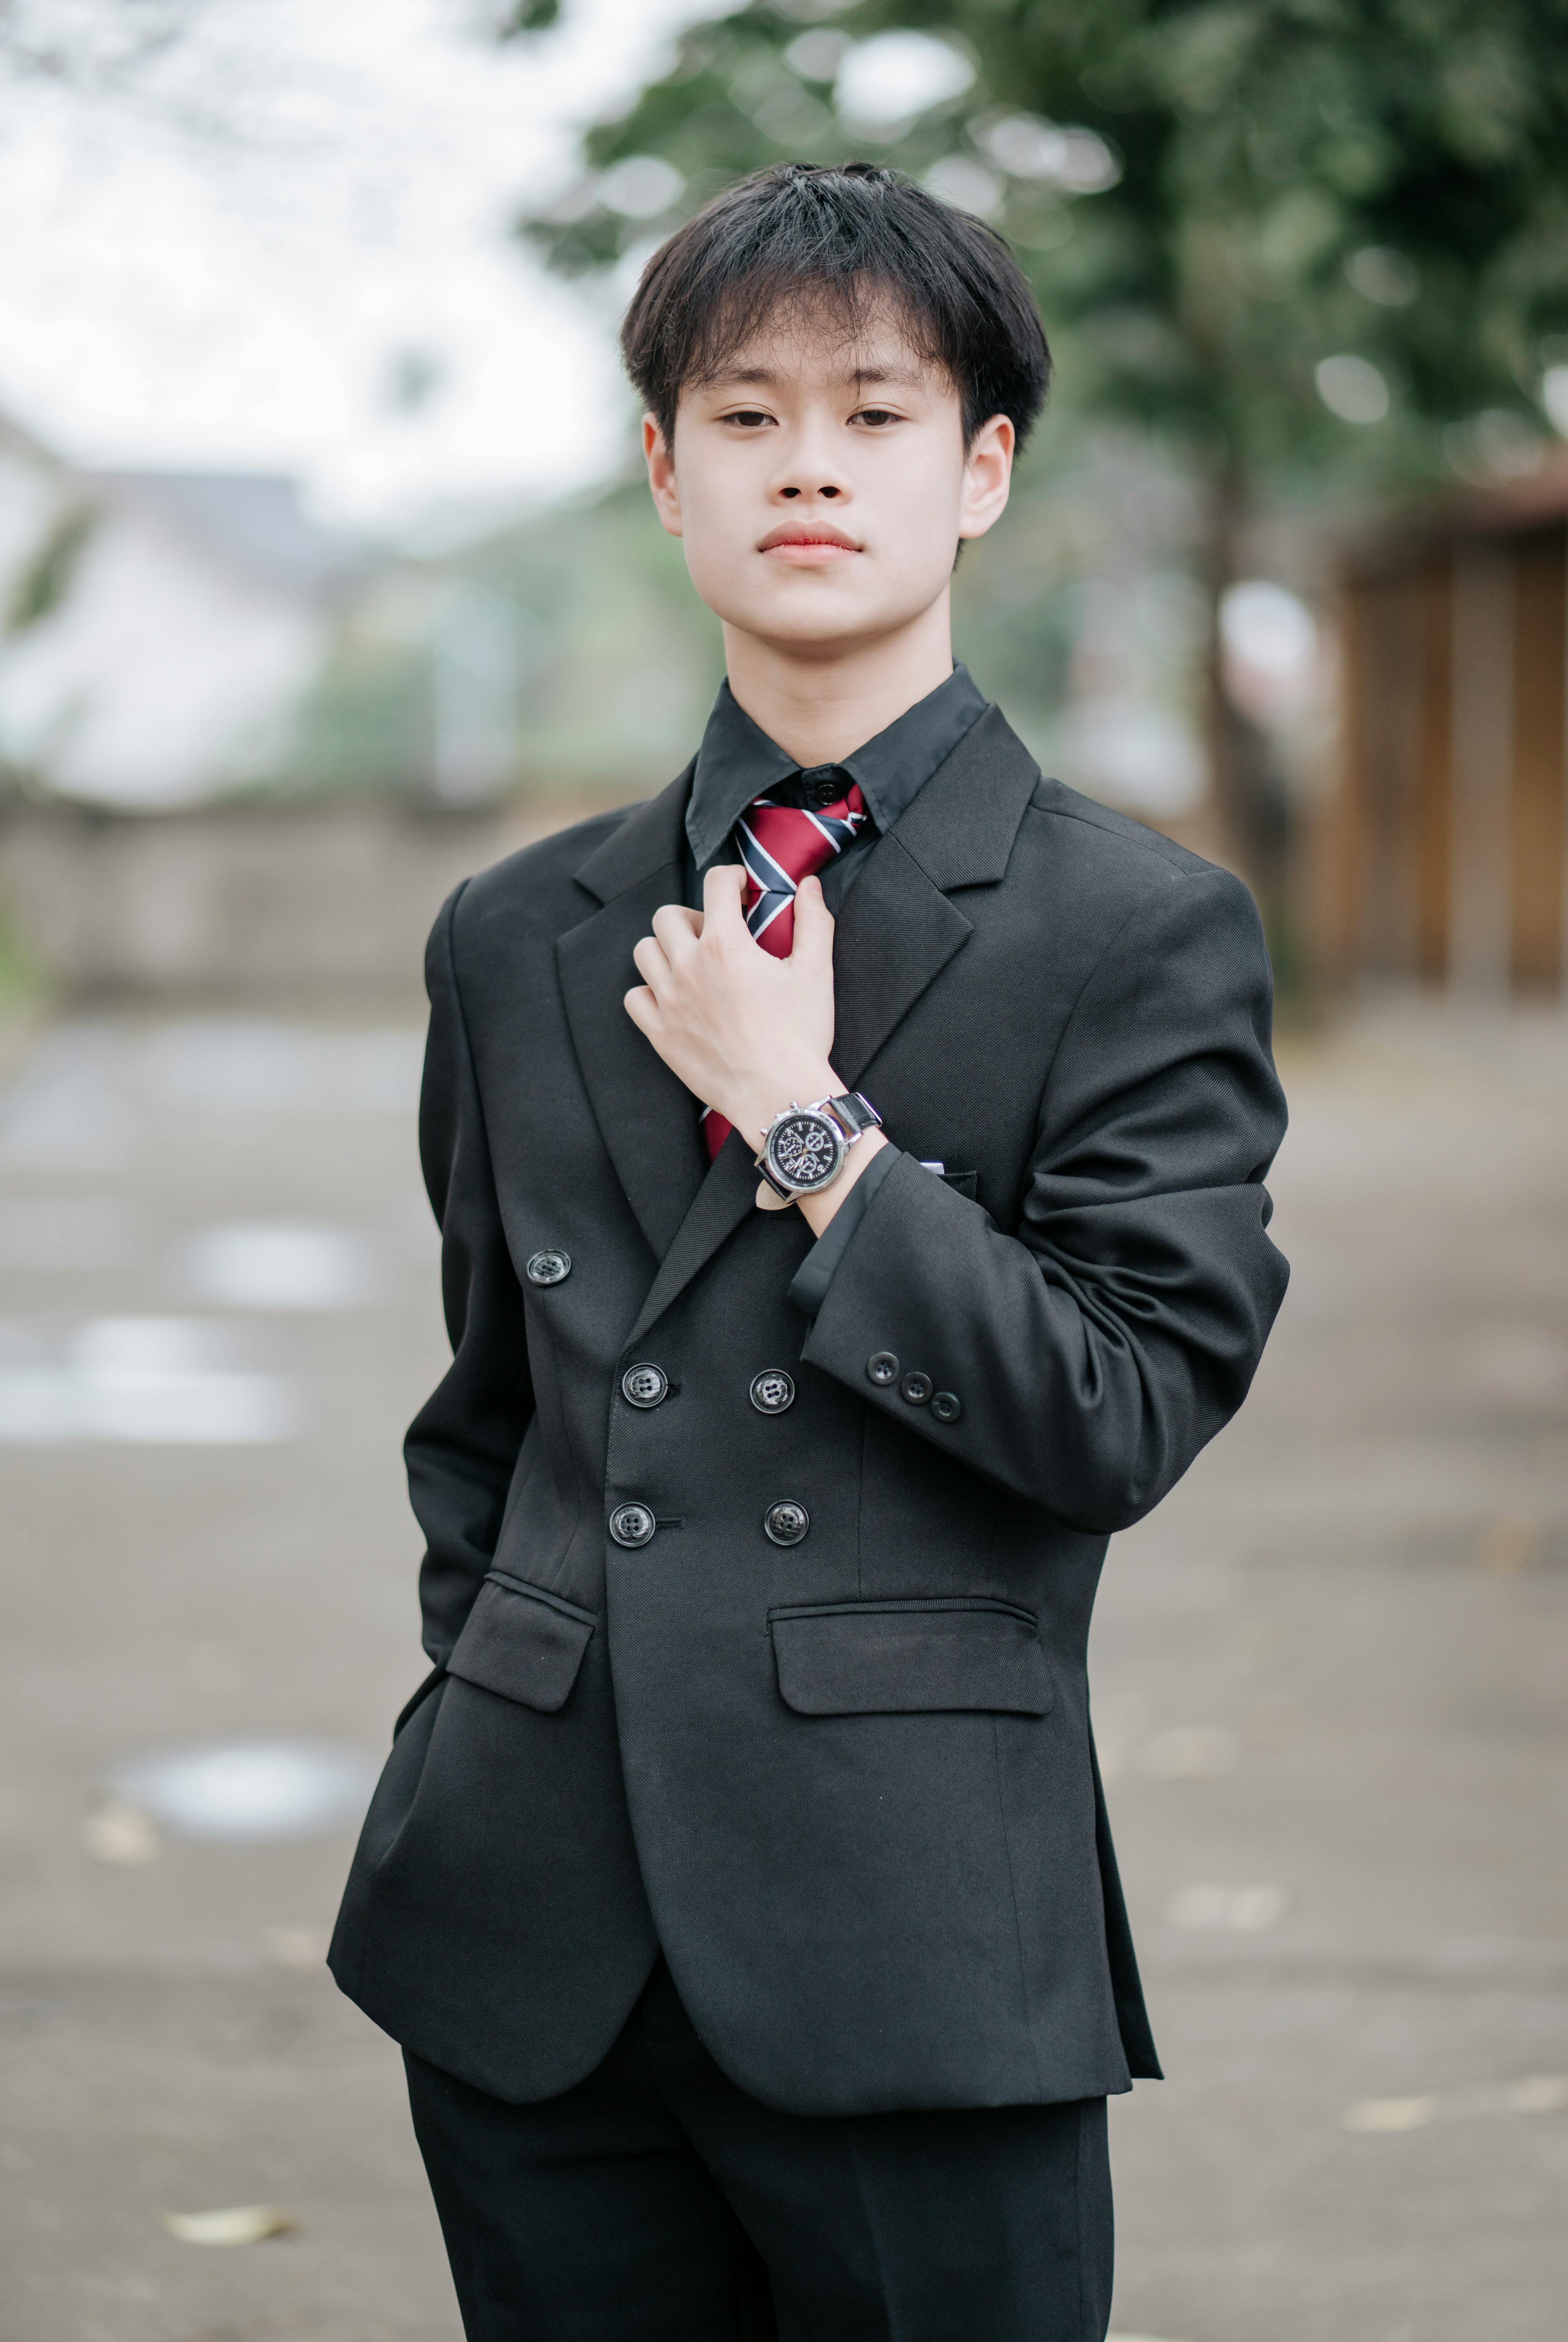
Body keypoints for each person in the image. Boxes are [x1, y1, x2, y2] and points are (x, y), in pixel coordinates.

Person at [330, 161, 1289, 2341]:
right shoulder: (518, 931)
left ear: (984, 473)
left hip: (916, 1932)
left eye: (873, 414)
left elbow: (1120, 1408)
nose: (811, 470)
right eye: (748, 420)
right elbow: (490, 1412)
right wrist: (468, 1720)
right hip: (526, 1946)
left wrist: (813, 1125)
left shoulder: (1136, 930)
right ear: (667, 477)